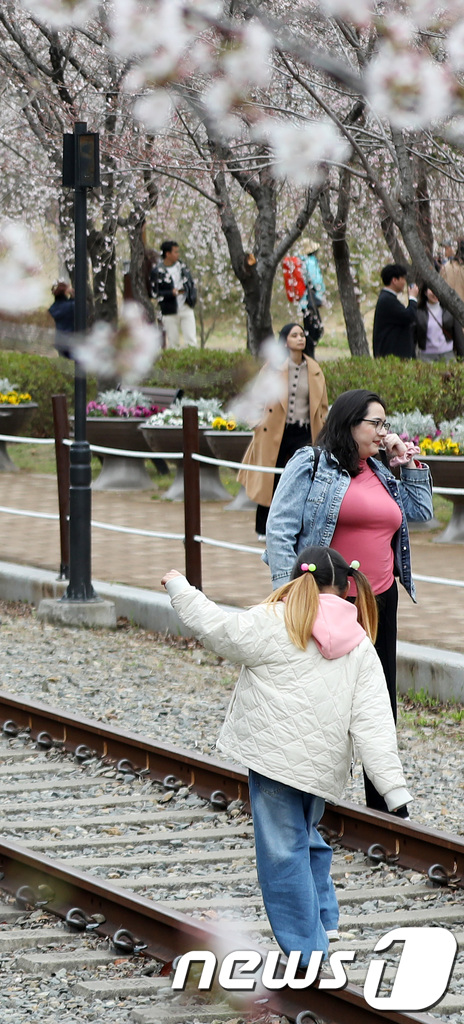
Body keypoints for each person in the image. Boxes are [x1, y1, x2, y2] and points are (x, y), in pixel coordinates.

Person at [161, 549, 409, 957]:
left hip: (274, 762)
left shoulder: (276, 622)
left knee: (281, 852)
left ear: (297, 580)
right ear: (348, 587)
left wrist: (179, 587)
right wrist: (394, 790)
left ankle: (307, 952)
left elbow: (217, 628)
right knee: (305, 836)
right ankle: (323, 919)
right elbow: (375, 722)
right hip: (320, 771)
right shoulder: (360, 643)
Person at [263, 390, 432, 813]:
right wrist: (290, 595)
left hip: (379, 602)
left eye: (385, 423)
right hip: (330, 604)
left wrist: (406, 462)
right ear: (349, 423)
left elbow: (422, 512)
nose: (383, 431)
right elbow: (280, 532)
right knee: (323, 704)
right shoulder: (312, 463)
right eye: (375, 423)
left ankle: (384, 805)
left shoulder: (381, 468)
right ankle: (308, 796)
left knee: (380, 702)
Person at [239, 323, 328, 539]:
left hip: (305, 432)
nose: (300, 338)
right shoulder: (272, 368)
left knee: (303, 478)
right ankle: (263, 528)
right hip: (276, 432)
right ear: (285, 340)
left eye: (302, 335)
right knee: (271, 479)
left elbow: (322, 405)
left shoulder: (314, 369)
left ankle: (299, 528)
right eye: (294, 335)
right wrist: (256, 422)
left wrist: (325, 430)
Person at [150, 240, 198, 349]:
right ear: (168, 254)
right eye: (175, 252)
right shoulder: (157, 271)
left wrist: (192, 297)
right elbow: (155, 292)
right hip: (169, 310)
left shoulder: (182, 267)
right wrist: (170, 293)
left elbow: (190, 283)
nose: (178, 255)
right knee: (173, 343)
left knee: (191, 341)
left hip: (186, 306)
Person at [371, 263, 419, 360]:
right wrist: (413, 298)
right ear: (394, 280)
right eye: (403, 279)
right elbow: (409, 317)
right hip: (392, 354)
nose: (405, 282)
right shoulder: (387, 300)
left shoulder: (387, 298)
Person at [417, 286, 460, 364]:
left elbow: (458, 336)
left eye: (437, 290)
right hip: (426, 357)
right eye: (431, 290)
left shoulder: (450, 311)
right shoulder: (418, 312)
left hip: (448, 355)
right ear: (425, 292)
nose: (435, 293)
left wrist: (462, 358)